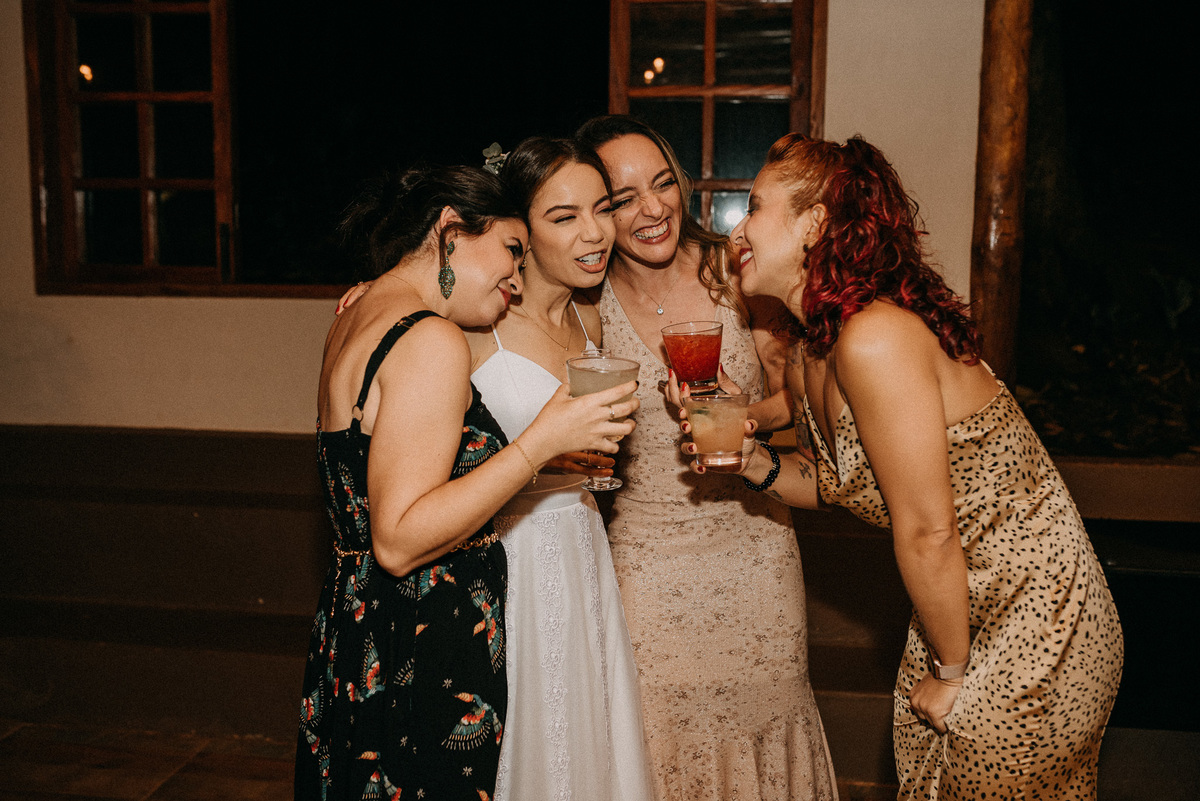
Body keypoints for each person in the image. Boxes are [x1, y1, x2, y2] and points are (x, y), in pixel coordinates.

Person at [683, 132, 1123, 799]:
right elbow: (829, 482)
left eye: (755, 207)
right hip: (955, 607)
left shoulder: (875, 337)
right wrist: (749, 461)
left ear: (815, 224)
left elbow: (927, 530)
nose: (737, 230)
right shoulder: (810, 354)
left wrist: (951, 671)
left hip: (1040, 612)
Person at [295, 164, 638, 801]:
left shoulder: (359, 314)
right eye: (510, 249)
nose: (517, 276)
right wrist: (540, 442)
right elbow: (398, 539)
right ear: (451, 230)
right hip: (422, 642)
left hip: (360, 627)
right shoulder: (431, 339)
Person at [575, 115, 838, 801]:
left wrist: (744, 414)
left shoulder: (737, 269)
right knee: (658, 742)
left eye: (663, 183)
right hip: (645, 563)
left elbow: (798, 397)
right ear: (597, 212)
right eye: (624, 197)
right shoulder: (583, 302)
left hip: (755, 549)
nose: (653, 208)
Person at [468, 136, 655, 800]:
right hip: (508, 557)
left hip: (580, 540)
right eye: (564, 216)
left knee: (587, 736)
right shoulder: (475, 323)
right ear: (518, 230)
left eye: (602, 208)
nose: (595, 232)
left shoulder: (589, 314)